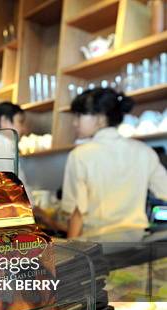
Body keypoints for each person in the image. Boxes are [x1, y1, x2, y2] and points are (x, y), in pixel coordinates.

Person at [62, 88, 167, 238]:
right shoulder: (144, 151)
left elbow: (76, 214)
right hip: (136, 246)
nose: (74, 123)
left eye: (79, 115)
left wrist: (70, 254)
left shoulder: (79, 155)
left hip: (97, 248)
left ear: (100, 117)